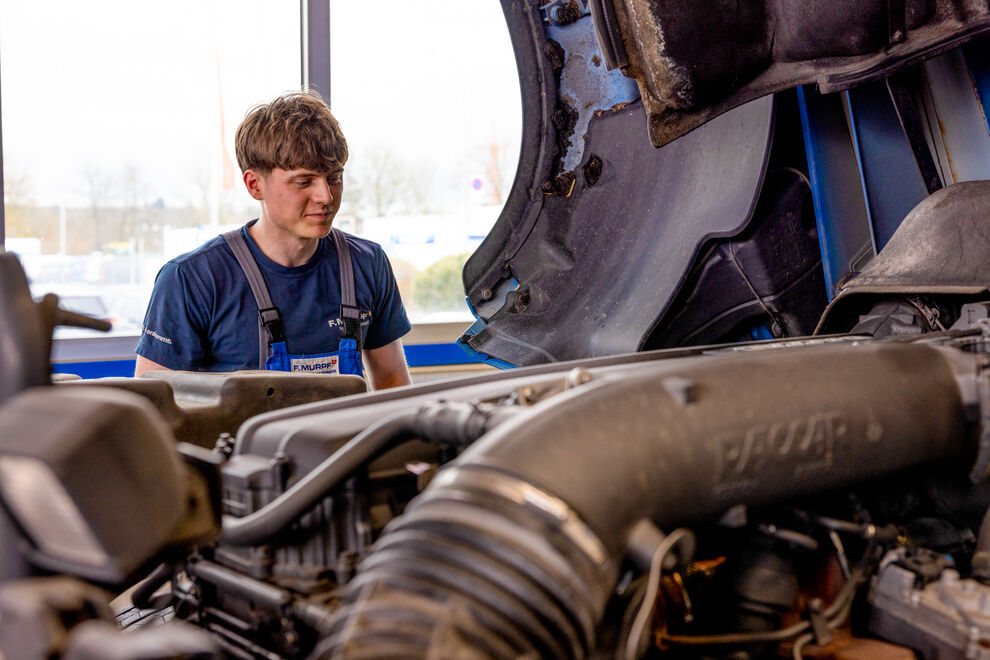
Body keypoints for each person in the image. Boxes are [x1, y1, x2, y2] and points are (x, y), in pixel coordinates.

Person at [134, 91, 412, 390]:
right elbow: (155, 401)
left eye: (334, 178)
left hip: (346, 424)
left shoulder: (367, 263)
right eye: (304, 182)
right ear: (255, 185)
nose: (326, 197)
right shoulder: (191, 279)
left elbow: (392, 381)